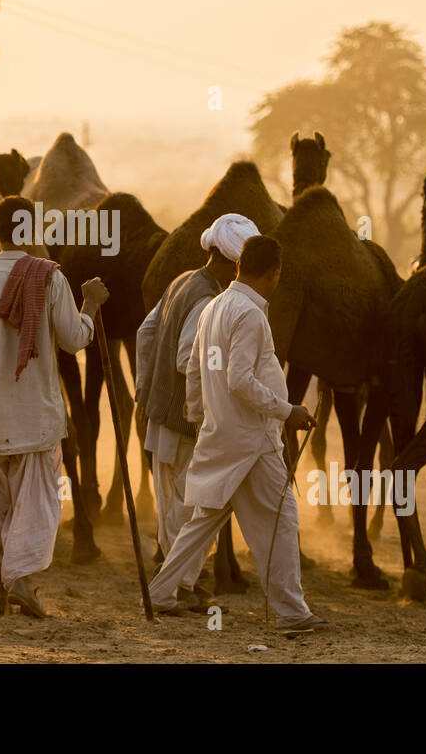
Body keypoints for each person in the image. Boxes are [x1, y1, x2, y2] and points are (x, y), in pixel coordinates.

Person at [147, 234, 326, 630]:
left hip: (222, 435)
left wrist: (200, 417)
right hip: (253, 440)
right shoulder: (249, 314)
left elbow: (194, 370)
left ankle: (160, 593)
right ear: (273, 273)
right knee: (281, 520)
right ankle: (293, 614)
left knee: (203, 519)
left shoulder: (213, 308)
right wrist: (288, 410)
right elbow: (239, 380)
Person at [0, 195, 108, 618]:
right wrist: (90, 306)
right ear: (32, 232)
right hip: (35, 419)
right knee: (32, 507)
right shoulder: (50, 279)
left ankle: (1, 592)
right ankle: (21, 583)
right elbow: (74, 340)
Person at [134, 213, 258, 583]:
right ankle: (176, 586)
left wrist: (146, 393)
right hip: (184, 421)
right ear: (234, 262)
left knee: (173, 506)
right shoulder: (207, 300)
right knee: (186, 509)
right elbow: (188, 359)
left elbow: (145, 333)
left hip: (160, 414)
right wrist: (206, 412)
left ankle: (176, 584)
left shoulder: (181, 281)